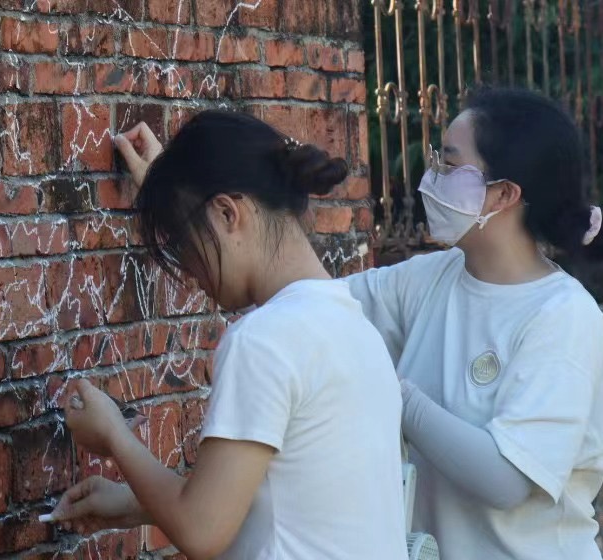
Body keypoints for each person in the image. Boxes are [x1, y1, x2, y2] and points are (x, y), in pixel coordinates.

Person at [49, 111, 408, 560]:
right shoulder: (355, 326)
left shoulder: (262, 339)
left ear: (226, 212)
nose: (189, 272)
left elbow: (202, 529)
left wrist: (115, 436)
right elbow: (294, 504)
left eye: (183, 244)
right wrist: (136, 504)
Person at [344, 86, 603, 560]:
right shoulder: (430, 278)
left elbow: (505, 481)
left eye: (449, 164)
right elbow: (318, 306)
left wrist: (398, 397)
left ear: (504, 194)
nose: (430, 177)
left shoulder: (564, 317)